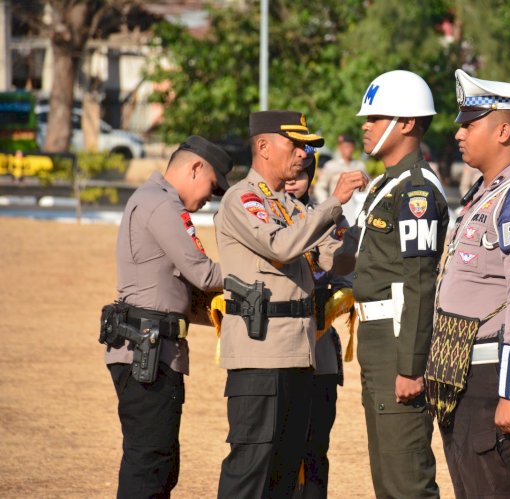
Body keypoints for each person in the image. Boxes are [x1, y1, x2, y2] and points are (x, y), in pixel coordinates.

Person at [214, 110, 367, 498]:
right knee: (250, 473)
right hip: (260, 357)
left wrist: (363, 222)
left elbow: (337, 259)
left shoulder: (293, 207)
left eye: (307, 146)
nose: (303, 153)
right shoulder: (242, 199)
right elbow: (281, 247)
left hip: (299, 357)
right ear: (263, 146)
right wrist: (333, 201)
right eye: (295, 144)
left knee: (285, 474)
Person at [426, 69, 510, 498]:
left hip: (495, 380)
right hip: (464, 370)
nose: (459, 133)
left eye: (469, 123)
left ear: (503, 131)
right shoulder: (486, 193)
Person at [102, 135, 233, 498]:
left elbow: (184, 294)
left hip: (153, 349)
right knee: (149, 464)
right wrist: (256, 271)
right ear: (195, 168)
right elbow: (204, 274)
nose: (210, 196)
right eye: (212, 185)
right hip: (148, 352)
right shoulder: (162, 204)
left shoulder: (153, 199)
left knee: (159, 463)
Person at [351, 69, 449, 498]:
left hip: (397, 343)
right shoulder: (385, 185)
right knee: (387, 478)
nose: (365, 125)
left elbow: (420, 282)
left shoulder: (416, 191)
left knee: (406, 481)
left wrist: (410, 365)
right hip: (377, 340)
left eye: (375, 117)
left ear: (407, 123)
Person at [286, 148, 352, 498]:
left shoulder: (329, 219)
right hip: (276, 353)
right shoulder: (263, 217)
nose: (295, 178)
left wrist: (339, 298)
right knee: (277, 452)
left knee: (315, 451)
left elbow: (349, 271)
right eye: (291, 169)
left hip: (319, 352)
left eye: (303, 172)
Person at [313, 133, 367, 224]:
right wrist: (327, 205)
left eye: (350, 146)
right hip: (337, 208)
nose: (348, 149)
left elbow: (367, 186)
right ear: (340, 147)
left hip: (356, 208)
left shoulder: (359, 166)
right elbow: (320, 187)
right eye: (345, 146)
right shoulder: (331, 166)